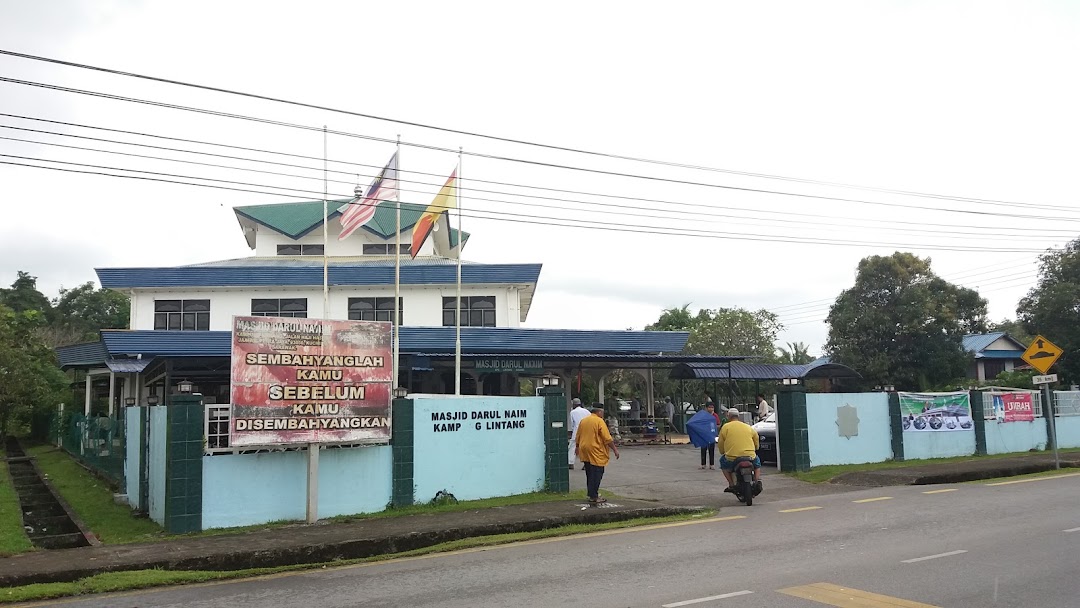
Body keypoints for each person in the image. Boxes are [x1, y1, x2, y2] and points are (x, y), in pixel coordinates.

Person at [576, 407, 619, 505]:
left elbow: (578, 435)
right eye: (602, 412)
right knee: (597, 472)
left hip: (584, 448)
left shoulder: (584, 421)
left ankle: (591, 493)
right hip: (595, 449)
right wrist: (615, 449)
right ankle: (594, 496)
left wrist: (577, 447)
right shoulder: (599, 421)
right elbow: (607, 438)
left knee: (589, 472)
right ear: (599, 412)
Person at [719, 407, 761, 492]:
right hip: (750, 456)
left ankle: (731, 484)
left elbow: (721, 443)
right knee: (757, 465)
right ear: (738, 417)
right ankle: (756, 481)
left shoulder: (725, 427)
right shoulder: (748, 427)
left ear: (729, 416)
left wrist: (722, 451)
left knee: (722, 462)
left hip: (732, 457)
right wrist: (756, 448)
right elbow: (756, 437)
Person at [567, 398, 591, 470]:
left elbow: (571, 424)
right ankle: (586, 463)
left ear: (574, 404)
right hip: (586, 431)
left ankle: (571, 463)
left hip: (576, 431)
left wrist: (570, 432)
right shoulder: (586, 411)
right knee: (585, 447)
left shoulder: (573, 412)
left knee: (572, 447)